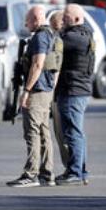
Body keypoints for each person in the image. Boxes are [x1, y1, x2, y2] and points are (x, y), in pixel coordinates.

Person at [7, 5, 57, 188]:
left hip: (37, 91)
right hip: (46, 90)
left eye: (27, 20)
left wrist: (26, 91)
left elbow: (37, 65)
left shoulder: (40, 37)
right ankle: (47, 173)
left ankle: (31, 174)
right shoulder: (50, 34)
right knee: (44, 132)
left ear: (36, 19)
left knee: (32, 133)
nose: (26, 24)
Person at [55, 4, 94, 186]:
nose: (63, 21)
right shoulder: (86, 33)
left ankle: (75, 172)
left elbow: (54, 42)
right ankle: (80, 170)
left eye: (66, 18)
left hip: (73, 91)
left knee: (72, 133)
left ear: (77, 19)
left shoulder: (73, 37)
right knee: (76, 133)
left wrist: (58, 29)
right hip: (77, 90)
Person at [48, 10, 69, 170]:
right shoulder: (75, 38)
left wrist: (51, 92)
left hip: (60, 92)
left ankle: (71, 167)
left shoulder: (59, 41)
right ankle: (73, 168)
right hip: (71, 90)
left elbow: (56, 68)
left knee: (62, 133)